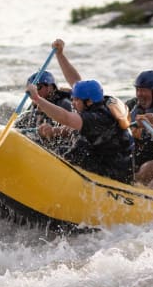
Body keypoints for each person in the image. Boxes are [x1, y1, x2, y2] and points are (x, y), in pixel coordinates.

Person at [25, 39, 133, 184]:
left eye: (76, 100)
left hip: (112, 172)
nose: (73, 103)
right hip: (99, 157)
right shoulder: (99, 101)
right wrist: (60, 55)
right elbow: (76, 83)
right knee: (60, 150)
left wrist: (37, 99)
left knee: (68, 155)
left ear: (88, 101)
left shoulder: (97, 117)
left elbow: (66, 118)